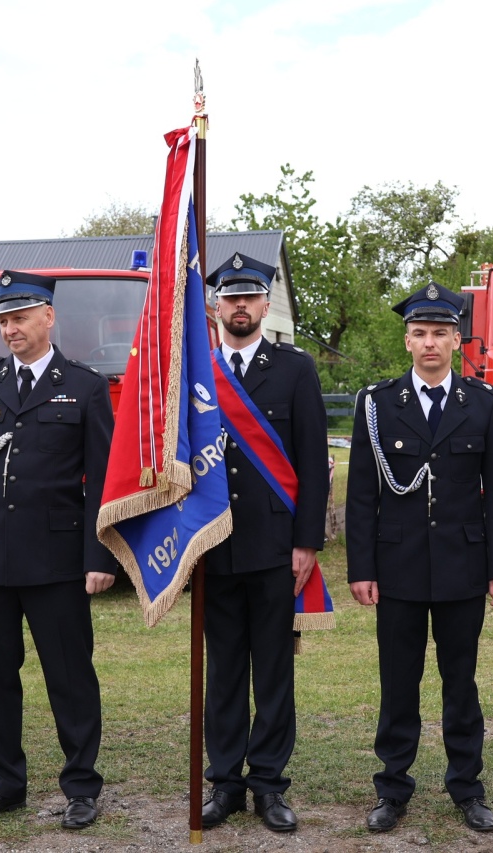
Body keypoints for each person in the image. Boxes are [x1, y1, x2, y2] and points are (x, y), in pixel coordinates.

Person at [0, 270, 116, 830]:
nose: (9, 329)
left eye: (19, 317)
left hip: (56, 560)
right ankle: (4, 782)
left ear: (48, 317)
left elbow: (102, 481)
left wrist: (99, 558)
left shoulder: (83, 385)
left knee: (69, 675)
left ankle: (81, 785)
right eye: (3, 320)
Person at [346, 282, 493, 834]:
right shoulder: (377, 405)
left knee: (460, 683)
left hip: (462, 566)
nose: (429, 344)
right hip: (396, 568)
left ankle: (467, 788)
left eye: (440, 334)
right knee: (398, 684)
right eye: (420, 333)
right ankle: (392, 789)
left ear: (456, 341)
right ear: (406, 341)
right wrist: (362, 568)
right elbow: (361, 496)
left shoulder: (484, 403)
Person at [199, 253, 329, 833]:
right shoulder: (197, 371)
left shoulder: (295, 369)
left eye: (251, 297)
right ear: (216, 306)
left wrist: (307, 542)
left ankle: (269, 785)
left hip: (277, 545)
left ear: (264, 304)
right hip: (214, 546)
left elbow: (312, 463)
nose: (241, 307)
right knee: (224, 670)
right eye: (231, 298)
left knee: (274, 669)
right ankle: (224, 783)